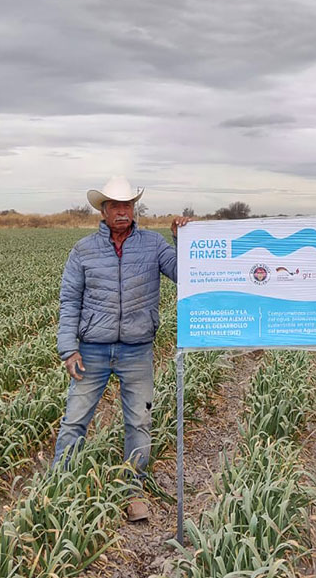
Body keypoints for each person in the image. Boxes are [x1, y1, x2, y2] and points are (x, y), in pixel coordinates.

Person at [53, 175, 189, 522]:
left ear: (134, 208)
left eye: (127, 205)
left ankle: (132, 490)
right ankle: (58, 491)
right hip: (93, 350)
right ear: (103, 210)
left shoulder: (154, 245)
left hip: (136, 350)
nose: (122, 211)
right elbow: (69, 300)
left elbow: (184, 273)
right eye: (115, 205)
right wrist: (68, 349)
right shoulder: (83, 250)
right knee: (74, 422)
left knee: (139, 423)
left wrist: (182, 239)